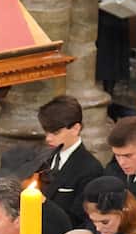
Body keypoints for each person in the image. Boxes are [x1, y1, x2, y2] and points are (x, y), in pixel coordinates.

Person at [38, 94, 103, 227]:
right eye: (46, 132)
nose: (48, 138)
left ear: (75, 128)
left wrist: (45, 203)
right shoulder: (44, 158)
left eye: (55, 133)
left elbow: (79, 218)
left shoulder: (90, 169)